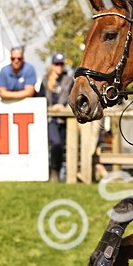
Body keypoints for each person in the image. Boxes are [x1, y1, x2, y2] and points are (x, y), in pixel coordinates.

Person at [38, 53, 73, 182]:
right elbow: (40, 97)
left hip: (64, 118)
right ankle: (52, 170)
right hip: (50, 118)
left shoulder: (68, 80)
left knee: (61, 146)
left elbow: (72, 97)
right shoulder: (45, 79)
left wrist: (62, 105)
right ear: (52, 65)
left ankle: (57, 172)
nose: (59, 66)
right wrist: (50, 107)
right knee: (56, 143)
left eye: (61, 64)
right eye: (57, 64)